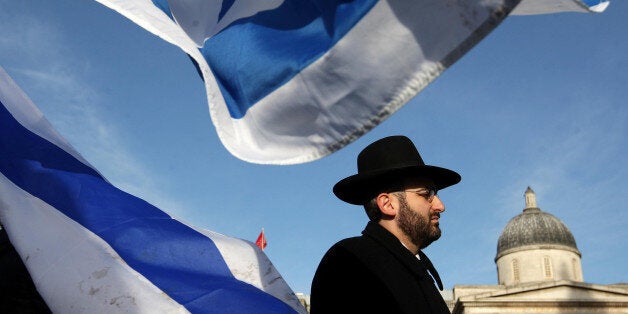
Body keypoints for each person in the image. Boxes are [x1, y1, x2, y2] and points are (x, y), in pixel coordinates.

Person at [310, 135, 461, 314]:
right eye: (426, 194)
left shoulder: (420, 272)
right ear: (388, 204)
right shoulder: (349, 262)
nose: (440, 206)